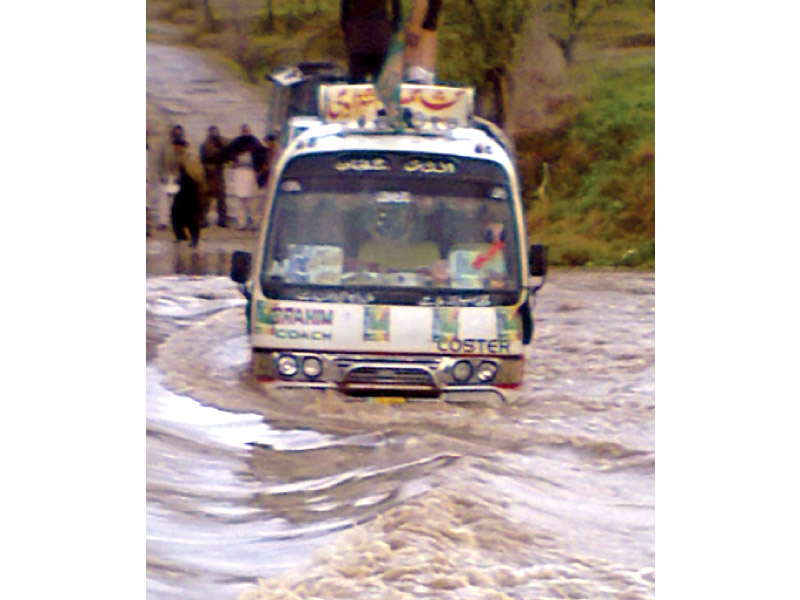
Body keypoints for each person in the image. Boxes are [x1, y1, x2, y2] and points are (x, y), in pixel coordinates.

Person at [340, 0, 401, 83]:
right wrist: (394, 29)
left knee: (357, 82)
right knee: (380, 83)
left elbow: (345, 10)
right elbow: (397, 10)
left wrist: (347, 29)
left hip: (360, 37)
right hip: (378, 35)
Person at [225, 124, 264, 230]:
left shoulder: (255, 142)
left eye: (247, 130)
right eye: (244, 130)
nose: (246, 132)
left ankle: (256, 222)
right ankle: (242, 222)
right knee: (240, 199)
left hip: (251, 172)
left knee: (253, 199)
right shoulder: (237, 142)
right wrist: (234, 161)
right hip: (239, 172)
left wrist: (258, 169)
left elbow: (261, 156)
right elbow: (228, 153)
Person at [157, 125, 188, 230]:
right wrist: (161, 174)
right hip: (166, 175)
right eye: (175, 132)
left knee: (179, 200)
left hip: (178, 176)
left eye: (179, 132)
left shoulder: (184, 146)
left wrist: (183, 176)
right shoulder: (165, 146)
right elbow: (160, 160)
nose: (177, 134)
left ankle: (178, 221)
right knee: (164, 200)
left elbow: (187, 161)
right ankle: (163, 222)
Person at [200, 125, 229, 227]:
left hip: (218, 173)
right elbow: (204, 157)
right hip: (208, 173)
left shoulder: (222, 142)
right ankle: (203, 219)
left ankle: (222, 220)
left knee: (221, 198)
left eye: (215, 131)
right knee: (206, 198)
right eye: (212, 131)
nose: (214, 133)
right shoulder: (205, 144)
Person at [171, 162, 202, 247]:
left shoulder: (186, 178)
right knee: (180, 218)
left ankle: (191, 238)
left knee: (190, 220)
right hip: (184, 201)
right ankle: (183, 236)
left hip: (188, 201)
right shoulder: (182, 178)